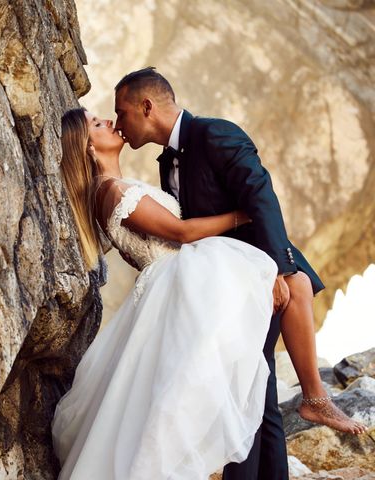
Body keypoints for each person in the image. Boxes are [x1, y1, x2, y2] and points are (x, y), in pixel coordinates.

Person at [112, 67, 366, 478]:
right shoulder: (166, 162)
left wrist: (278, 272)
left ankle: (314, 400)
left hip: (255, 278)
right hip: (219, 283)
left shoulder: (215, 134)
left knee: (245, 386)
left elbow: (261, 198)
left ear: (147, 107)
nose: (119, 123)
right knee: (256, 388)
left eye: (122, 113)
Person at [52, 107, 277, 479]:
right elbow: (182, 232)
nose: (108, 121)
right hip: (177, 286)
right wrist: (243, 215)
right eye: (97, 124)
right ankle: (314, 399)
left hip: (176, 287)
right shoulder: (113, 191)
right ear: (88, 147)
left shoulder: (113, 189)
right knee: (174, 406)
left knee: (169, 401)